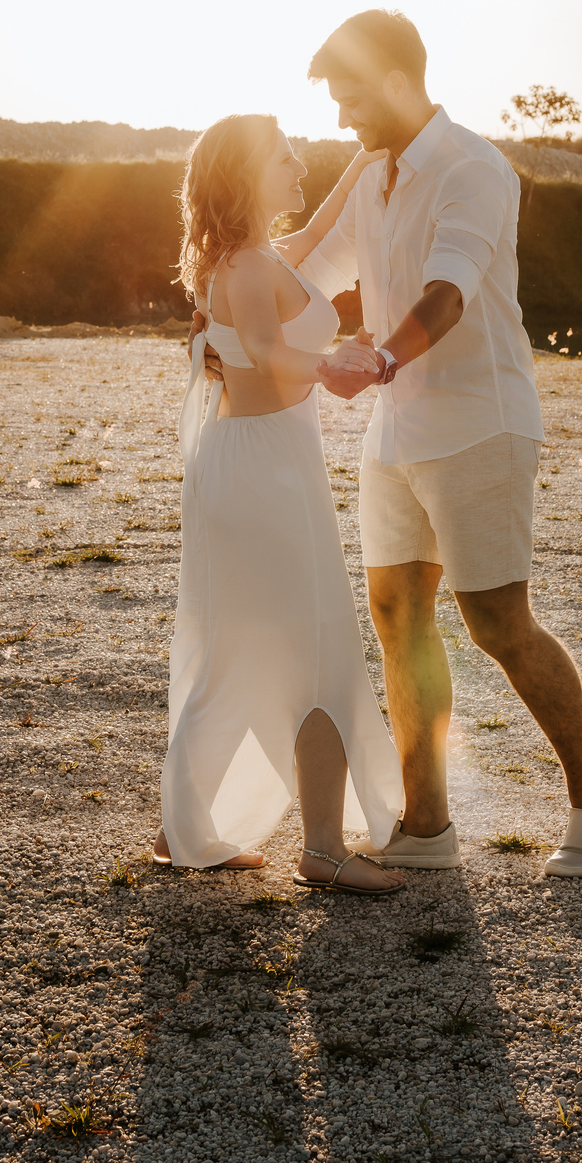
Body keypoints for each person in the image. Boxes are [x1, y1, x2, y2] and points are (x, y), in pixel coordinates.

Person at [297, 10, 582, 879]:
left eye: (353, 98)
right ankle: (428, 825)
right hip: (396, 426)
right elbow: (313, 276)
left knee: (496, 623)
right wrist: (233, 296)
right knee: (398, 616)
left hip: (481, 421)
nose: (343, 119)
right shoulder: (372, 176)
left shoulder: (473, 168)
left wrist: (377, 358)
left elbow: (447, 293)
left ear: (402, 83)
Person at [153, 112, 405, 895]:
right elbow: (263, 350)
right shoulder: (247, 269)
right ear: (247, 174)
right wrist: (331, 364)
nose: (300, 166)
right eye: (286, 158)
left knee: (237, 648)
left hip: (255, 467)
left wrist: (368, 159)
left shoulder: (255, 258)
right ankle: (324, 849)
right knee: (318, 645)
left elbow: (323, 220)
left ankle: (180, 827)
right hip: (264, 475)